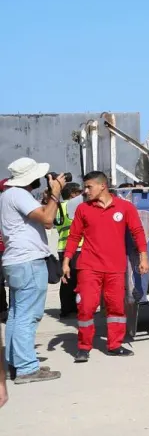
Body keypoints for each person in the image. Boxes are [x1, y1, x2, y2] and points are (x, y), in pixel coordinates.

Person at [62, 171, 149, 361]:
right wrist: (66, 261)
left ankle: (114, 345)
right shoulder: (83, 209)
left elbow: (138, 232)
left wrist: (143, 257)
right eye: (85, 187)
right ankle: (84, 347)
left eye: (89, 187)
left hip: (115, 267)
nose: (85, 191)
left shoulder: (125, 208)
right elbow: (74, 236)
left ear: (103, 186)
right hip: (88, 266)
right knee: (86, 307)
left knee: (116, 308)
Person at [1, 158, 65, 383]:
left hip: (16, 261)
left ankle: (16, 363)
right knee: (28, 316)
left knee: (17, 316)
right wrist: (56, 191)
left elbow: (42, 215)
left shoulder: (8, 195)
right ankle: (27, 368)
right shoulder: (18, 194)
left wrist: (50, 197)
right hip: (28, 262)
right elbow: (48, 220)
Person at [56, 182, 83, 320]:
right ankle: (77, 307)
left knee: (66, 279)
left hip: (62, 246)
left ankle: (66, 308)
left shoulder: (59, 207)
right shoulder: (75, 206)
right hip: (77, 246)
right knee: (79, 278)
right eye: (78, 192)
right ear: (72, 194)